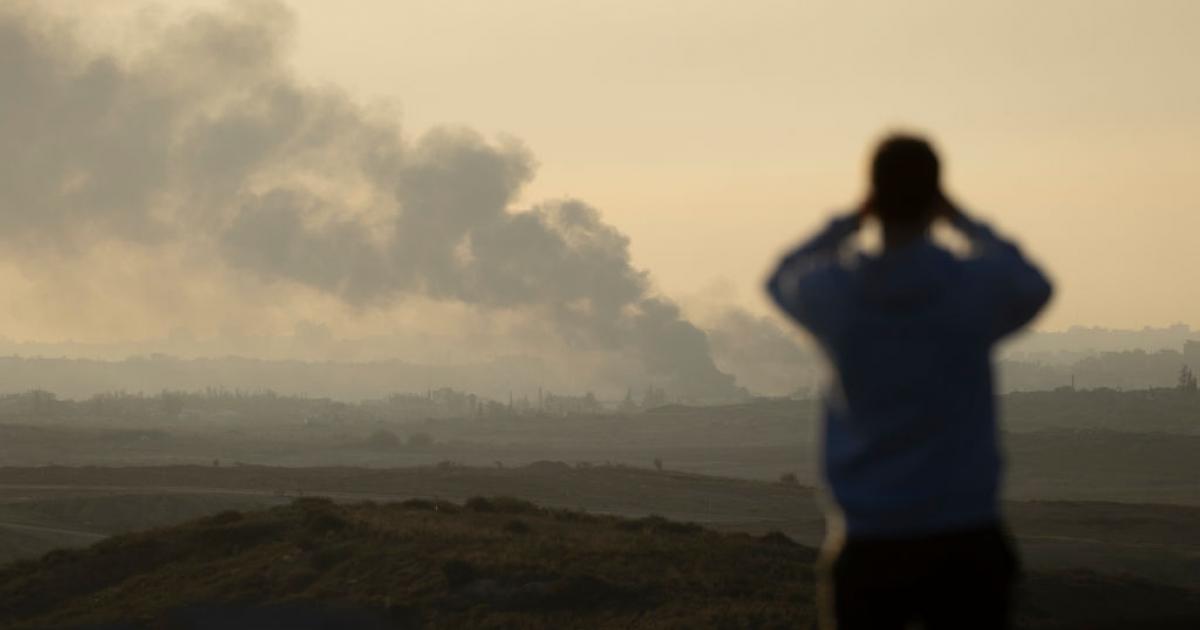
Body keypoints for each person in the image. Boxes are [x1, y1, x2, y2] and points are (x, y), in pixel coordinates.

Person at [766, 134, 1052, 629]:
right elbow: (1033, 283)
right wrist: (962, 220)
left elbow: (781, 276)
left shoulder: (837, 296)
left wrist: (847, 222)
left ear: (872, 198)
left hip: (870, 538)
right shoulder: (971, 291)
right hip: (965, 533)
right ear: (935, 197)